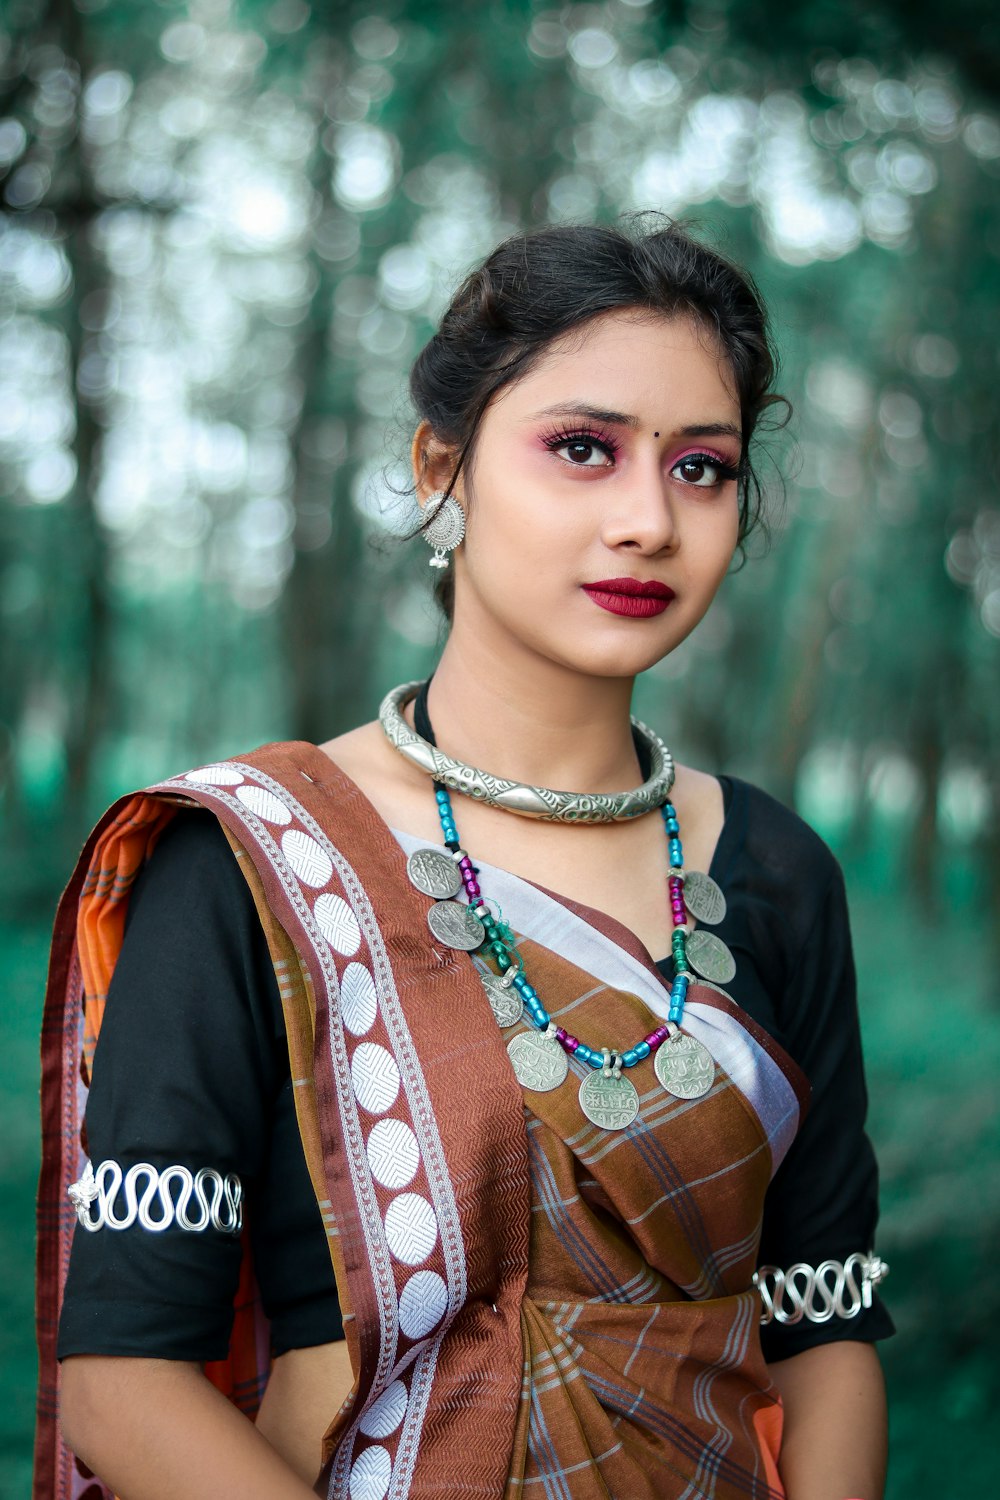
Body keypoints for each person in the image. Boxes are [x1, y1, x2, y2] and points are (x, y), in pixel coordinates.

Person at [36, 219, 892, 1500]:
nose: (647, 520)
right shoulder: (251, 863)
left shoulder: (775, 870)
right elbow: (121, 1384)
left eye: (701, 468)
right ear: (443, 465)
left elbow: (820, 1326)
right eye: (582, 450)